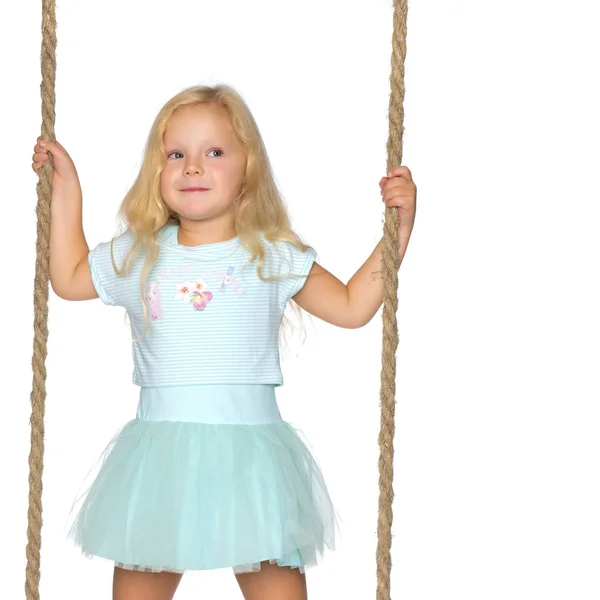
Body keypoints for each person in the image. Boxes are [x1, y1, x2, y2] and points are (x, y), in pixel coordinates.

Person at [31, 84, 417, 600]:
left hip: (253, 456)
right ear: (158, 172)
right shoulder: (142, 254)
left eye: (213, 152)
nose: (192, 167)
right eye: (176, 154)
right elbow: (70, 277)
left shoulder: (271, 255)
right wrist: (66, 189)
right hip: (160, 453)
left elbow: (351, 306)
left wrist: (400, 227)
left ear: (247, 174)